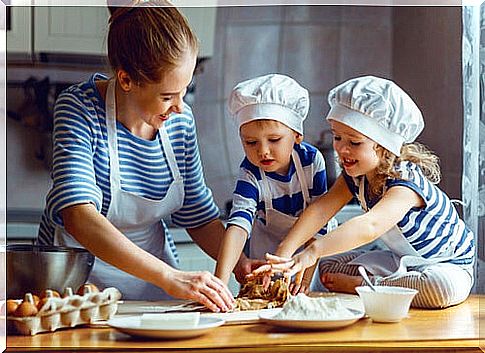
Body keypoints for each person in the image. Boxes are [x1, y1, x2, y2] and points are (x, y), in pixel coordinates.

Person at [36, 1, 234, 312]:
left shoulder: (179, 121)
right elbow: (78, 216)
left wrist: (242, 262)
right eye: (167, 96)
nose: (180, 106)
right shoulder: (78, 109)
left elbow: (198, 215)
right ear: (126, 80)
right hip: (77, 291)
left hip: (154, 290)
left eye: (185, 90)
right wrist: (169, 276)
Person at [253, 75, 475, 308]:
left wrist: (312, 251)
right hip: (400, 261)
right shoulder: (356, 174)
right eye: (337, 137)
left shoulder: (405, 183)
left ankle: (366, 285)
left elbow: (371, 225)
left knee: (440, 288)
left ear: (384, 145)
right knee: (327, 266)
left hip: (448, 266)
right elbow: (321, 210)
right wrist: (284, 252)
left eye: (355, 142)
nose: (341, 148)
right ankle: (378, 285)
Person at [215, 74, 336, 293]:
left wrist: (303, 282)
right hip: (263, 255)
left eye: (274, 140)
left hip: (306, 253)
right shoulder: (250, 171)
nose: (263, 151)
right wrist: (219, 284)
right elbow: (238, 226)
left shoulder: (311, 160)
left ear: (297, 135)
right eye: (251, 142)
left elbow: (319, 223)